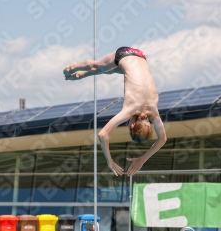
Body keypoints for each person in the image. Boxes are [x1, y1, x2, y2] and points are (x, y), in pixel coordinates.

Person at [63, 46, 167, 176]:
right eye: (129, 127)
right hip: (124, 54)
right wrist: (110, 161)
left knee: (109, 70)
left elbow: (162, 139)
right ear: (133, 125)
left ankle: (80, 75)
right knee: (97, 67)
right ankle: (72, 69)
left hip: (141, 55)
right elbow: (102, 135)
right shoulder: (130, 110)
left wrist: (142, 160)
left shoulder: (154, 112)